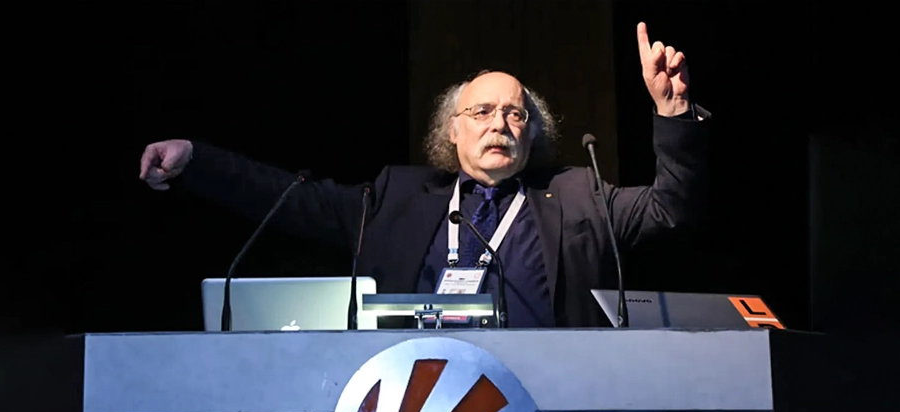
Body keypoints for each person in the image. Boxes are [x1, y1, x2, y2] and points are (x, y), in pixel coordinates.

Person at [139, 23, 710, 328]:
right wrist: (197, 160)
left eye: (515, 114)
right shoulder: (397, 197)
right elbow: (288, 200)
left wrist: (673, 112)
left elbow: (672, 207)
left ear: (532, 133)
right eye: (481, 112)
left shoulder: (577, 193)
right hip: (414, 399)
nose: (499, 124)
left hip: (550, 400)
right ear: (452, 130)